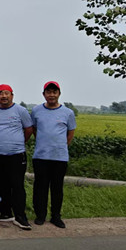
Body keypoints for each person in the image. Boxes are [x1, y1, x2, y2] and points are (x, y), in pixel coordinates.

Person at [0, 84, 34, 230]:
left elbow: (29, 129)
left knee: (17, 186)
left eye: (6, 93)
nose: (3, 96)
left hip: (16, 155)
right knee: (2, 185)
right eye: (0, 94)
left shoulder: (20, 111)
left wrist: (17, 142)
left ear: (12, 95)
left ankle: (20, 216)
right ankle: (6, 213)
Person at [31, 81, 76, 228]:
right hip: (41, 156)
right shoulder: (36, 111)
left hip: (59, 157)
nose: (51, 95)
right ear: (44, 94)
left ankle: (56, 216)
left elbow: (70, 133)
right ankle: (40, 215)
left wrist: (61, 146)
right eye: (48, 92)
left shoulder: (68, 113)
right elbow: (34, 129)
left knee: (57, 188)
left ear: (59, 94)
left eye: (54, 92)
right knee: (40, 188)